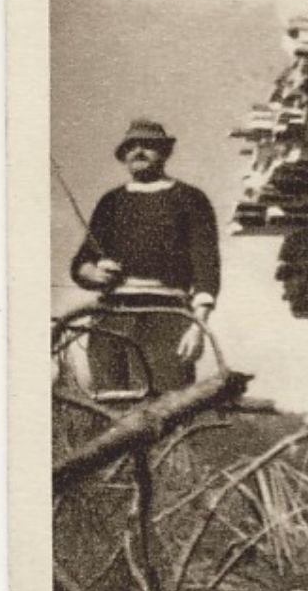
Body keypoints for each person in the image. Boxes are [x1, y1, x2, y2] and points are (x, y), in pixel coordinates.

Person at [70, 119, 221, 395]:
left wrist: (198, 326)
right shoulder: (111, 202)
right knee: (110, 405)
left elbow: (207, 266)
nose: (138, 151)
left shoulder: (191, 199)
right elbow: (82, 263)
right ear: (123, 155)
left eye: (148, 145)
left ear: (164, 152)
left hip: (168, 318)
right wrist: (94, 271)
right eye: (131, 146)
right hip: (111, 318)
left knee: (167, 407)